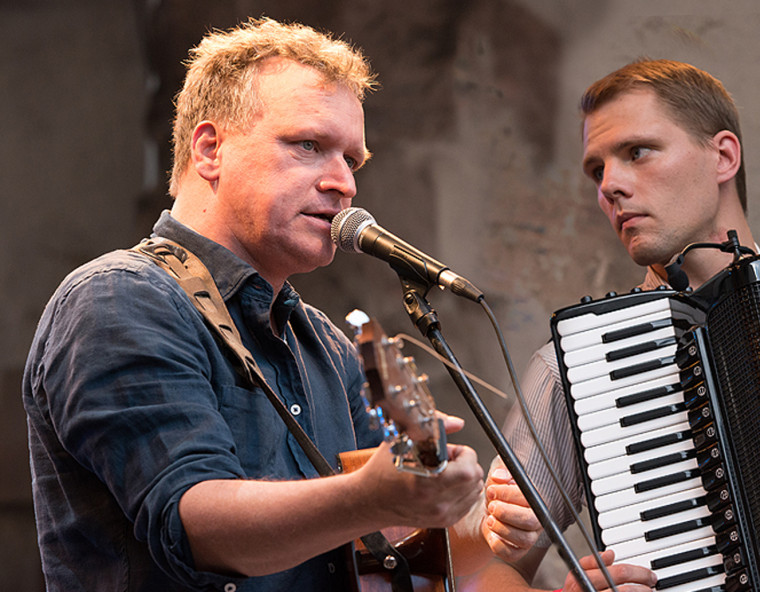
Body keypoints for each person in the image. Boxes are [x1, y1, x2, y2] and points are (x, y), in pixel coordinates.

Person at [22, 17, 539, 591]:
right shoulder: (119, 298)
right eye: (309, 146)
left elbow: (384, 549)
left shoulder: (325, 345)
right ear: (210, 148)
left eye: (354, 161)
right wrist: (366, 496)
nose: (344, 183)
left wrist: (484, 527)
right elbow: (196, 527)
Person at [462, 59, 757, 592]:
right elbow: (485, 572)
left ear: (723, 156)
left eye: (637, 152)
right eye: (597, 170)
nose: (609, 187)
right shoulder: (583, 367)